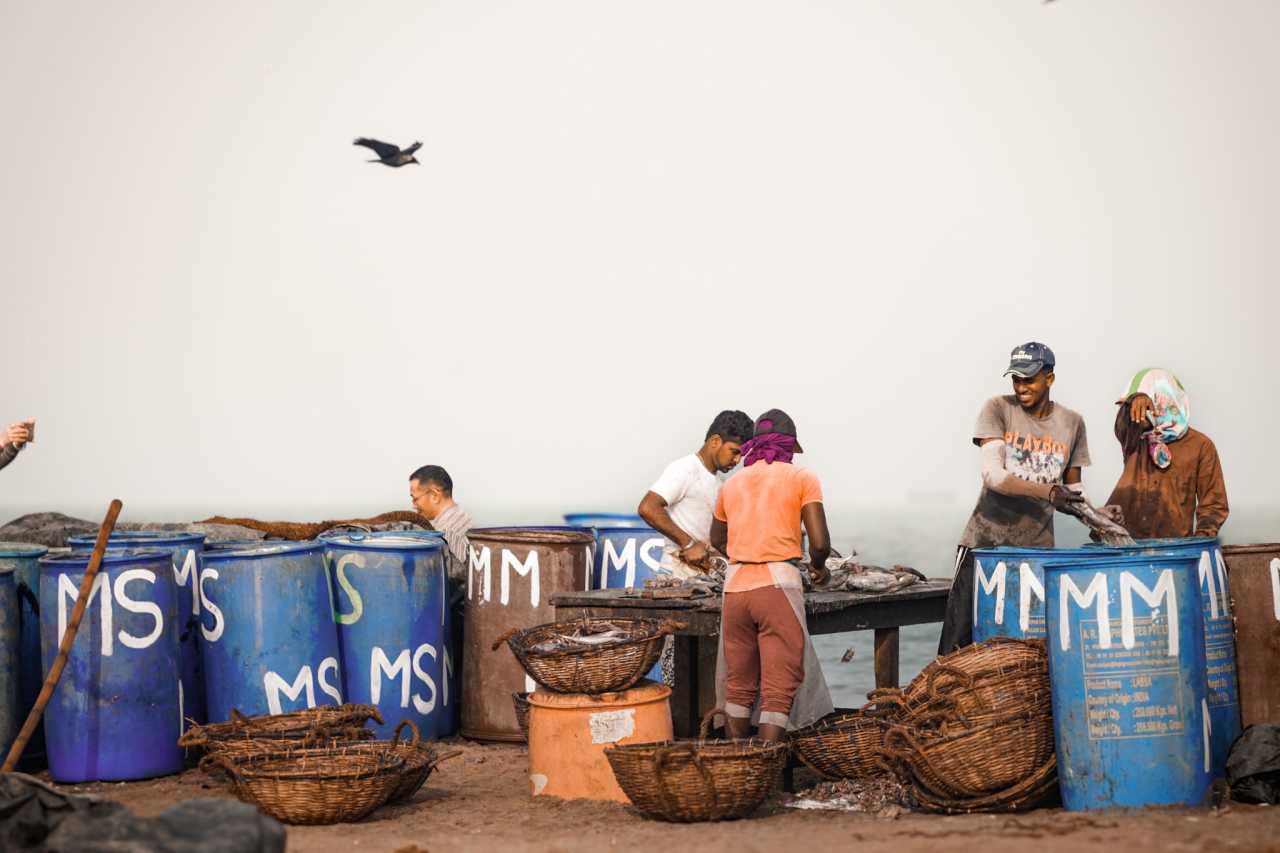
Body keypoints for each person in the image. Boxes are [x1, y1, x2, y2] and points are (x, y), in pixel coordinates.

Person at [938, 343, 1094, 655]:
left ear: (1049, 378)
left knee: (1027, 647)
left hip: (1036, 555)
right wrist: (1049, 492)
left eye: (1029, 380)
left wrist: (1098, 519)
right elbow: (993, 476)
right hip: (983, 547)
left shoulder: (1072, 423)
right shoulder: (998, 409)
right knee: (957, 645)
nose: (1021, 387)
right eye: (1016, 380)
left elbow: (1074, 491)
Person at [709, 409, 834, 740]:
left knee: (738, 687)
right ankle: (766, 767)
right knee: (777, 692)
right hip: (777, 587)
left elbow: (717, 539)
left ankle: (738, 764)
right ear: (789, 447)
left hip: (735, 589)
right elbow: (820, 543)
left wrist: (746, 550)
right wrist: (819, 568)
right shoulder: (802, 477)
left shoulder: (731, 484)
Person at [1104, 368, 1227, 539]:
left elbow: (1213, 505)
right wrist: (1134, 399)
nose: (1140, 415)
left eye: (1146, 408)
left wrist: (1200, 541)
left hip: (1175, 546)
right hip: (1127, 544)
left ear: (1164, 402)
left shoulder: (1201, 446)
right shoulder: (1134, 439)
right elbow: (1122, 425)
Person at [637, 410, 754, 578]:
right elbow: (647, 507)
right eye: (734, 452)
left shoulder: (721, 484)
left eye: (741, 455)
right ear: (715, 441)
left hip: (705, 578)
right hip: (677, 575)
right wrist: (688, 544)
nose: (737, 460)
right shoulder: (685, 469)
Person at [409, 464, 473, 583]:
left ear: (435, 495)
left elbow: (458, 582)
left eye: (415, 499)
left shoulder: (447, 533)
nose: (413, 505)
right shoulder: (464, 519)